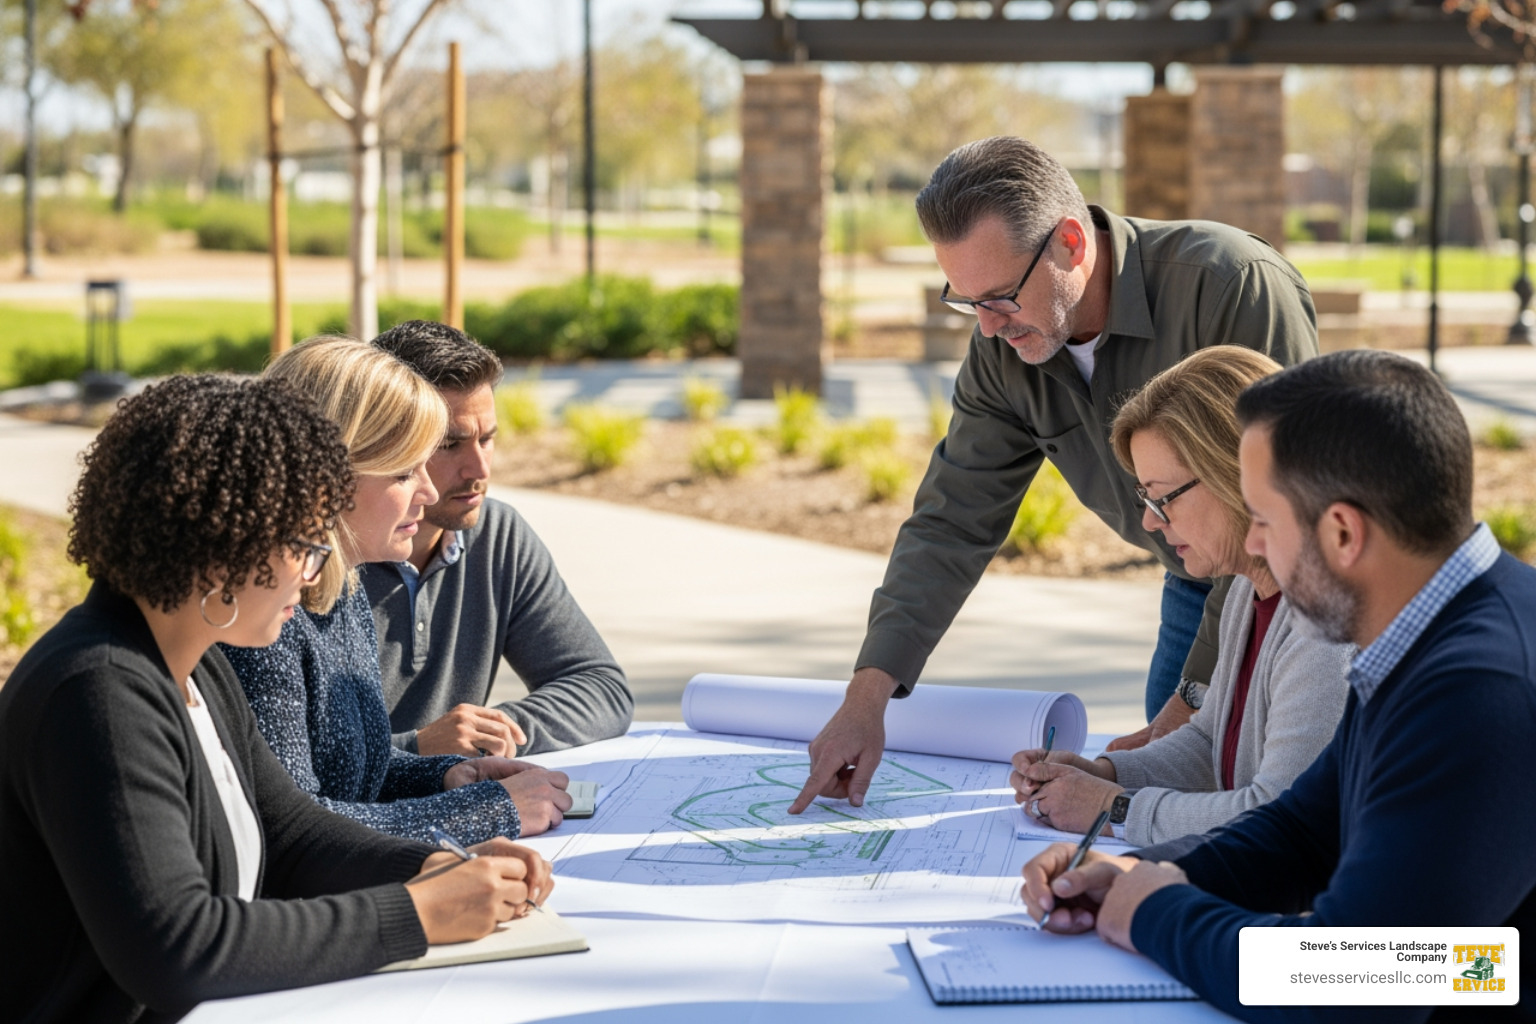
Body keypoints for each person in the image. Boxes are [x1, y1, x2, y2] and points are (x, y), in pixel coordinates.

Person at [790, 135, 1318, 814]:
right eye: (965, 300)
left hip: (1286, 590)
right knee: (1172, 788)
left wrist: (1179, 716)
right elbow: (952, 520)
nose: (985, 328)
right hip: (1194, 582)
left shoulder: (1232, 286)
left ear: (1071, 242)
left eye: (1001, 297)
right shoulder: (1003, 346)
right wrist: (865, 701)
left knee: (1253, 804)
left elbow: (1277, 503)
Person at [0, 375, 553, 1023]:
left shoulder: (194, 668)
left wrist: (438, 865)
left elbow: (290, 835)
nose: (312, 574)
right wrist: (420, 913)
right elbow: (178, 948)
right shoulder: (98, 692)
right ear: (223, 548)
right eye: (305, 547)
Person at [1020, 351, 1536, 1023]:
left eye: (1263, 519)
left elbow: (1363, 983)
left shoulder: (1478, 687)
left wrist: (1153, 912)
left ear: (1343, 532)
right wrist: (1145, 872)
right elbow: (1305, 830)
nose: (1254, 546)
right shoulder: (1429, 629)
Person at [223, 336, 572, 844]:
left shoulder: (341, 588)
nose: (427, 492)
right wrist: (488, 812)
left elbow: (356, 773)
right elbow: (291, 834)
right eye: (407, 470)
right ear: (328, 475)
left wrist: (447, 774)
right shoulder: (264, 620)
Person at [1010, 347, 1350, 845]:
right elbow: (1209, 744)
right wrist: (1102, 774)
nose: (1150, 521)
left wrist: (1112, 808)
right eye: (1145, 499)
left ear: (1237, 477)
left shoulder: (1328, 622)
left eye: (1162, 497)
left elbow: (1281, 820)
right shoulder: (1245, 588)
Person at [361, 320, 633, 758]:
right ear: (388, 442)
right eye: (449, 445)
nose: (479, 470)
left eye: (487, 439)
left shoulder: (498, 535)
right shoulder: (323, 560)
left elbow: (600, 688)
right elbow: (289, 767)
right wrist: (420, 749)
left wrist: (493, 733)